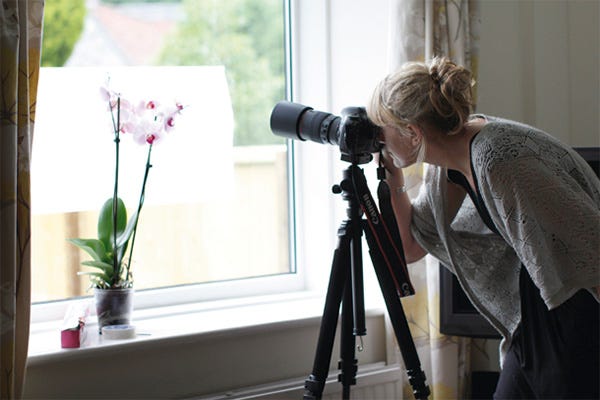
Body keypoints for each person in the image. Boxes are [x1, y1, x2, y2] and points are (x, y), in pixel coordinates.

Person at [367, 56, 600, 399]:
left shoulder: (498, 158)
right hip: (534, 316)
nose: (378, 139)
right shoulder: (445, 166)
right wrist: (393, 178)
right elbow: (411, 248)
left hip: (572, 314)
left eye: (381, 128)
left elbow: (590, 244)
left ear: (413, 133)